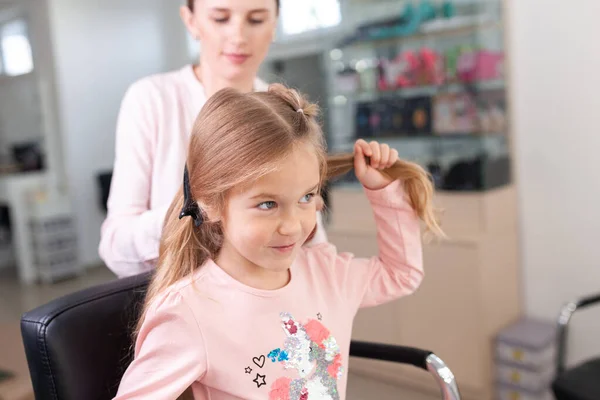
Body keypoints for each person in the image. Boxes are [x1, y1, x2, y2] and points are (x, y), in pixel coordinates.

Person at [113, 83, 442, 400]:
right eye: (267, 204)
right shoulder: (189, 312)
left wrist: (385, 192)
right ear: (210, 203)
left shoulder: (325, 272)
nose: (292, 227)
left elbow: (402, 275)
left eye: (306, 197)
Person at [98, 0, 330, 278]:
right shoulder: (151, 100)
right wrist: (198, 208)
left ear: (275, 24)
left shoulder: (288, 113)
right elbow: (116, 249)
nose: (239, 36)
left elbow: (316, 250)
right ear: (191, 20)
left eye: (256, 20)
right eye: (221, 18)